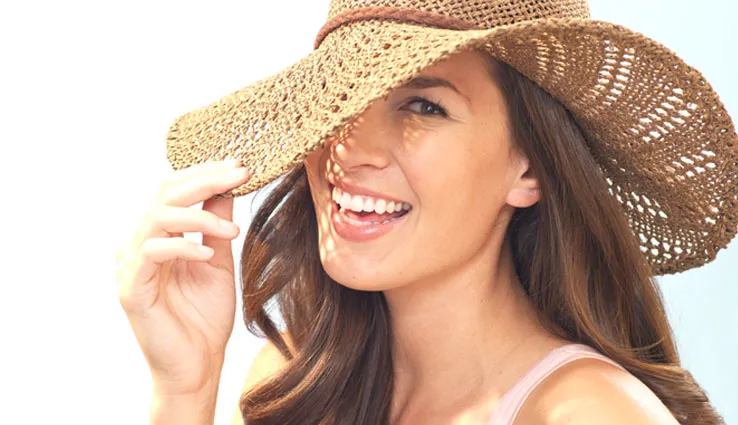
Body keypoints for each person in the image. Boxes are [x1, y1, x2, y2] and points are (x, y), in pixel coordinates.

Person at [115, 1, 737, 424]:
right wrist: (185, 389)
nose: (348, 148)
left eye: (423, 107)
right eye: (341, 99)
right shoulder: (299, 383)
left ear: (531, 168)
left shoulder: (589, 415)